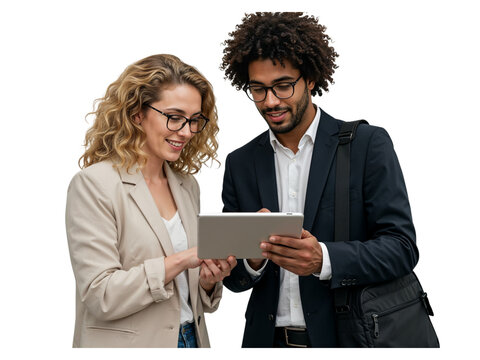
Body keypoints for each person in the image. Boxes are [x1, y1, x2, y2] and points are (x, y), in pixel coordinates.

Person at [220, 12, 418, 347]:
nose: (270, 101)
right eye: (257, 89)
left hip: (348, 339)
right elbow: (234, 279)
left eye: (283, 85)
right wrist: (251, 261)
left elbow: (401, 248)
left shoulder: (367, 145)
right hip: (266, 342)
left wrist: (324, 259)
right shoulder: (240, 163)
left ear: (310, 79)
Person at [65, 54, 236, 348]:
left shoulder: (186, 185)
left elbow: (189, 295)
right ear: (136, 114)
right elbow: (100, 294)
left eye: (194, 120)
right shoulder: (95, 184)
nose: (186, 132)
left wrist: (208, 278)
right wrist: (184, 259)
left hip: (192, 340)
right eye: (174, 117)